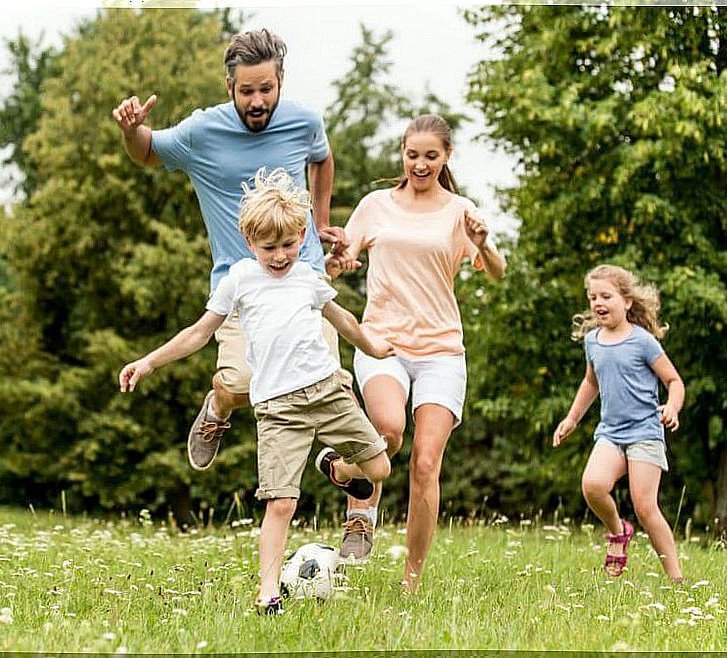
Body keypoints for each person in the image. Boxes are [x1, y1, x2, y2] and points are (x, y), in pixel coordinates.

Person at [118, 168, 392, 614]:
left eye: (288, 245)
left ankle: (336, 467)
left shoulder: (307, 277)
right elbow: (198, 333)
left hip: (328, 393)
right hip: (279, 410)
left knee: (377, 470)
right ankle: (267, 593)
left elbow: (343, 320)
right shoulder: (241, 280)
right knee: (281, 502)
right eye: (269, 248)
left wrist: (374, 347)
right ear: (249, 242)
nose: (280, 256)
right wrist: (148, 361)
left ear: (301, 236)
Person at [111, 28, 351, 473]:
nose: (257, 101)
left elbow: (321, 156)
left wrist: (319, 220)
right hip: (241, 285)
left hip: (305, 276)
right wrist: (131, 130)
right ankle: (219, 406)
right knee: (242, 384)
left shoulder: (303, 121)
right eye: (246, 92)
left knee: (327, 386)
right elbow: (146, 153)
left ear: (281, 81)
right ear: (229, 87)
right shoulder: (202, 132)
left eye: (266, 89)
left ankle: (351, 490)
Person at [328, 114, 506, 590]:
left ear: (446, 157)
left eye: (431, 156)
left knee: (426, 463)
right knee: (387, 430)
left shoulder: (459, 211)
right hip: (382, 341)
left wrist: (485, 246)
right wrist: (341, 260)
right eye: (413, 155)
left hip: (441, 351)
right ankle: (356, 498)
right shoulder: (375, 205)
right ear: (402, 154)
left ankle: (411, 580)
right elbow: (341, 257)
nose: (421, 164)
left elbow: (497, 272)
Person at [552, 264, 685, 581]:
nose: (598, 302)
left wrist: (673, 407)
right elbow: (590, 383)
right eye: (592, 297)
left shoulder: (643, 342)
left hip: (645, 433)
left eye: (606, 296)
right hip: (611, 432)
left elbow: (674, 380)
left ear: (627, 301)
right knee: (593, 485)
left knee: (645, 507)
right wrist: (571, 418)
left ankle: (676, 577)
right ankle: (617, 531)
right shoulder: (593, 342)